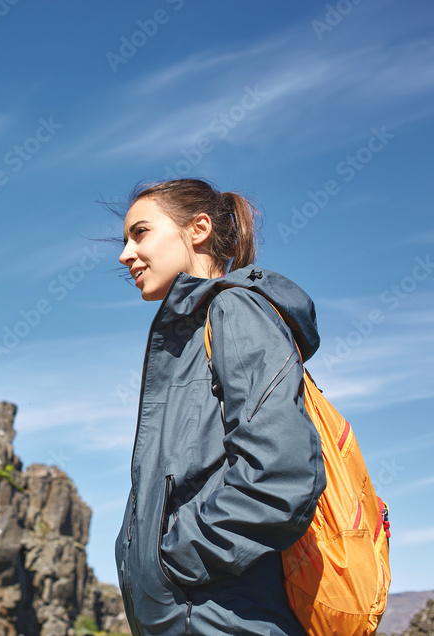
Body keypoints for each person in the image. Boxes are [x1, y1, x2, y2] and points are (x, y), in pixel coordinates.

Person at [112, 178, 326, 635]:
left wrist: (174, 562)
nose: (125, 254)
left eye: (141, 233)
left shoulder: (234, 310)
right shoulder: (192, 333)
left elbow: (281, 473)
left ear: (199, 228)